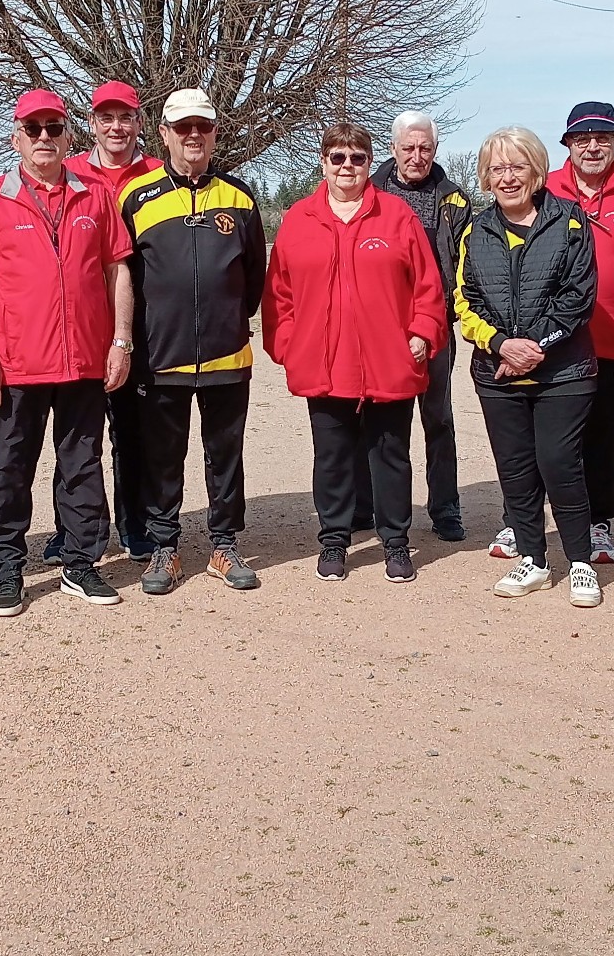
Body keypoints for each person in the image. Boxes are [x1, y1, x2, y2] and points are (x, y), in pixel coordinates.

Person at [0, 88, 135, 618]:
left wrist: (120, 341)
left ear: (67, 135)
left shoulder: (94, 196)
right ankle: (8, 567)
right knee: (10, 465)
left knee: (81, 465)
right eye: (32, 130)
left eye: (53, 128)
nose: (43, 139)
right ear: (16, 137)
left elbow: (117, 271)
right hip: (16, 363)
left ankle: (80, 561)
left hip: (82, 358)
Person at [261, 123, 447, 584]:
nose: (348, 167)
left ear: (370, 163)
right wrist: (288, 344)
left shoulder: (397, 216)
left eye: (357, 158)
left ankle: (396, 541)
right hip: (323, 361)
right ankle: (333, 540)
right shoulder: (298, 220)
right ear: (323, 162)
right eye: (338, 158)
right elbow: (278, 293)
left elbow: (428, 285)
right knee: (332, 455)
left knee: (391, 454)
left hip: (388, 360)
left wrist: (422, 333)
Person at [120, 88, 268, 594]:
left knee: (225, 453)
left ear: (214, 133)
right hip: (161, 356)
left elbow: (254, 278)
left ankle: (224, 545)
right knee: (163, 456)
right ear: (163, 134)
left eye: (202, 127)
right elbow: (124, 278)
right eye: (182, 128)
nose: (193, 136)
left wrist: (229, 317)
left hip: (227, 354)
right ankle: (165, 547)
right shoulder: (135, 198)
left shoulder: (241, 197)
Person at [452, 127, 601, 606]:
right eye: (497, 168)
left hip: (564, 372)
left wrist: (534, 346)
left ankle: (580, 562)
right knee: (515, 469)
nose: (507, 177)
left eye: (517, 166)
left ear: (537, 171)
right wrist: (500, 344)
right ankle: (533, 560)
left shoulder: (571, 222)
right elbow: (464, 299)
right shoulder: (475, 231)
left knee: (559, 464)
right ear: (486, 177)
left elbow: (578, 298)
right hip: (496, 374)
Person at [54, 79, 162, 563]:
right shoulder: (68, 170)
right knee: (76, 433)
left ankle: (135, 524)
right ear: (91, 124)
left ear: (139, 123)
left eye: (125, 117)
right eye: (106, 118)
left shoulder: (159, 172)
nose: (116, 127)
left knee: (134, 431)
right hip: (77, 324)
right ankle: (70, 529)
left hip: (143, 322)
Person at [536, 100, 614, 567]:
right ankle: (527, 518)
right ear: (568, 145)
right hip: (550, 339)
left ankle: (598, 522)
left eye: (602, 137)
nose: (593, 147)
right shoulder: (543, 191)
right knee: (542, 433)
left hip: (612, 336)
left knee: (601, 436)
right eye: (583, 139)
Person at [362, 110, 471, 541]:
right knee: (378, 421)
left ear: (436, 150)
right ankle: (370, 506)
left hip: (436, 326)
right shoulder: (370, 191)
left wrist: (450, 316)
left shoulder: (455, 200)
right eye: (408, 147)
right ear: (393, 149)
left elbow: (465, 267)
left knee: (438, 420)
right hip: (380, 328)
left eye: (425, 147)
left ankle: (445, 508)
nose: (416, 155)